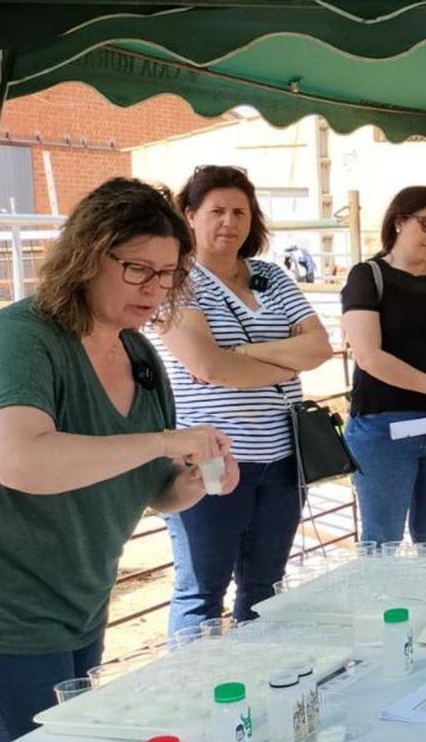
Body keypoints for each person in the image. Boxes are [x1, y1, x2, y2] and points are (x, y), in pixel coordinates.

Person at [0, 178, 236, 742]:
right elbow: (23, 462)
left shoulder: (140, 354)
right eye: (137, 267)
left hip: (80, 598)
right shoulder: (20, 338)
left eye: (167, 273)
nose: (155, 287)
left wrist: (189, 482)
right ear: (88, 255)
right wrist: (163, 440)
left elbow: (153, 493)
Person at [151, 165, 334, 634]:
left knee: (265, 587)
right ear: (189, 215)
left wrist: (246, 353)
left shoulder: (269, 275)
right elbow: (209, 367)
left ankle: (253, 686)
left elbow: (318, 348)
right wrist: (282, 362)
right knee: (202, 590)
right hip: (211, 455)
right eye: (216, 211)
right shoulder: (176, 281)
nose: (229, 222)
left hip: (282, 457)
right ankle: (195, 695)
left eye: (240, 211)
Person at [341, 186, 426, 547]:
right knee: (382, 541)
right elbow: (370, 356)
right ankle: (382, 607)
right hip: (383, 428)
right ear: (400, 221)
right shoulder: (367, 276)